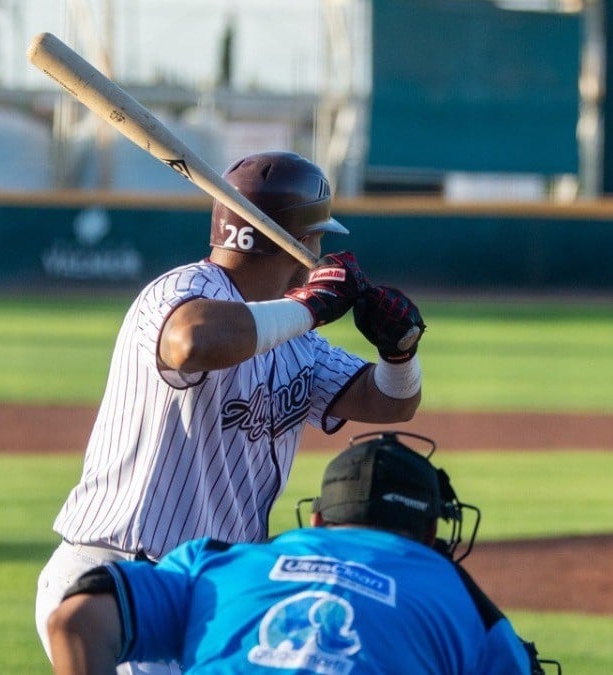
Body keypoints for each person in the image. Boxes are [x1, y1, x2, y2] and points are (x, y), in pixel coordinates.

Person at [36, 151, 428, 673]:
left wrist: (400, 354)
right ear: (296, 241)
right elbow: (191, 341)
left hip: (207, 588)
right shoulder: (182, 292)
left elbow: (391, 401)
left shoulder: (295, 336)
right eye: (317, 237)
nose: (320, 252)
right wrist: (310, 306)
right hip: (120, 580)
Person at [45, 430, 551, 675]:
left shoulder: (215, 564)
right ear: (428, 534)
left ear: (317, 520)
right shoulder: (460, 601)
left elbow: (75, 619)